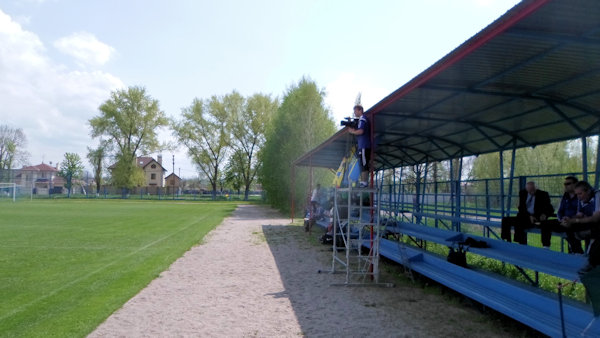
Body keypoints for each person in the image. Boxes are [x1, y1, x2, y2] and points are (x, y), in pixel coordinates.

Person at [560, 180, 600, 275]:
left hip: (597, 223)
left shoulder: (597, 195)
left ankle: (591, 262)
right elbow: (579, 215)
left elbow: (595, 218)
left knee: (597, 232)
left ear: (588, 191)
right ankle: (577, 251)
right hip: (590, 222)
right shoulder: (581, 199)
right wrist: (569, 219)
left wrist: (576, 220)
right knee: (567, 225)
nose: (578, 197)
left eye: (580, 194)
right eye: (577, 194)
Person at [538, 176, 579, 250]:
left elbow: (581, 212)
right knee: (545, 223)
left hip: (574, 221)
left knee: (570, 227)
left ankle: (576, 251)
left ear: (575, 184)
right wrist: (560, 219)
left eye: (568, 184)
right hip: (562, 221)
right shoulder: (565, 196)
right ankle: (546, 247)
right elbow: (560, 211)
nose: (565, 186)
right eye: (565, 184)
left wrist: (569, 219)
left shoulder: (580, 196)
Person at [348, 104, 370, 188]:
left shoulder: (363, 119)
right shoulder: (362, 119)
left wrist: (353, 132)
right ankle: (363, 181)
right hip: (362, 145)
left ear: (360, 110)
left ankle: (364, 182)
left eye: (355, 110)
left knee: (364, 163)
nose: (354, 112)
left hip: (364, 145)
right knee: (362, 163)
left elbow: (361, 131)